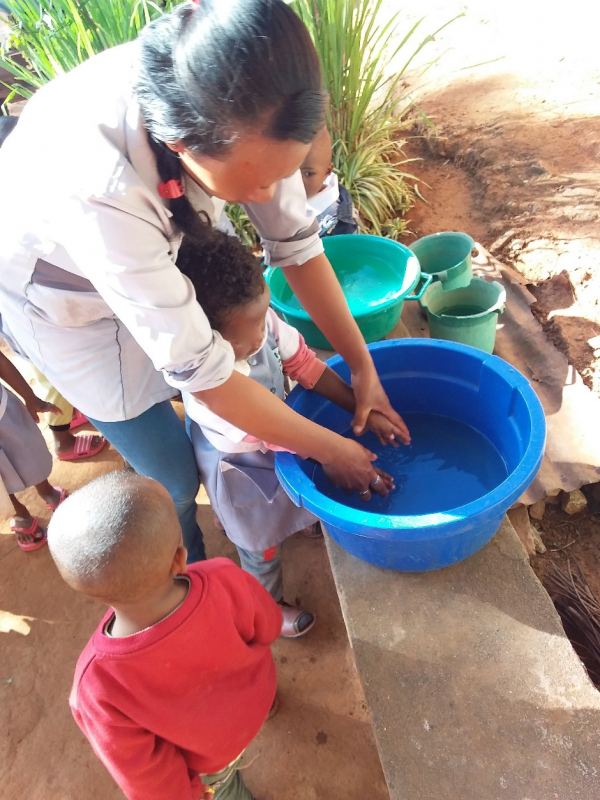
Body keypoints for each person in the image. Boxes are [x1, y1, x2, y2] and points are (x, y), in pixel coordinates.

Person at [0, 0, 409, 566]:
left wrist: (362, 368)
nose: (270, 197)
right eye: (255, 183)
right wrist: (332, 449)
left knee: (201, 395)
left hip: (160, 243)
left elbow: (296, 245)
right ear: (181, 146)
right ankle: (184, 570)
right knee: (170, 477)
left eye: (282, 174)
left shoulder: (246, 103)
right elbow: (206, 375)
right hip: (70, 305)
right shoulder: (101, 181)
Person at [178, 231, 401, 638]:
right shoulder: (207, 390)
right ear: (207, 339)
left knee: (293, 495)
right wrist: (335, 455)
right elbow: (269, 437)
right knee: (258, 540)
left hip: (282, 440)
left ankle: (296, 520)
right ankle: (267, 603)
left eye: (264, 316)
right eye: (250, 331)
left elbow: (303, 364)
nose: (261, 334)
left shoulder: (258, 319)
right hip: (242, 465)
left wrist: (361, 408)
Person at [48, 471, 282, 800]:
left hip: (211, 762)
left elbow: (147, 778)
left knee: (228, 791)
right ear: (179, 558)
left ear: (89, 592)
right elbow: (269, 624)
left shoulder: (97, 687)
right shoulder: (222, 576)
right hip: (258, 699)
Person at [0, 115, 107, 463]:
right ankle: (61, 437)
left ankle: (71, 410)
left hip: (36, 310)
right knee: (51, 373)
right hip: (29, 321)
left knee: (62, 372)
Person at [0, 347, 67, 550]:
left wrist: (30, 397)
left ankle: (46, 491)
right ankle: (19, 512)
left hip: (2, 411)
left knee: (28, 450)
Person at [300, 125, 358, 237]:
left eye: (308, 174)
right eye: (291, 172)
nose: (297, 180)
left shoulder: (341, 220)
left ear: (327, 171)